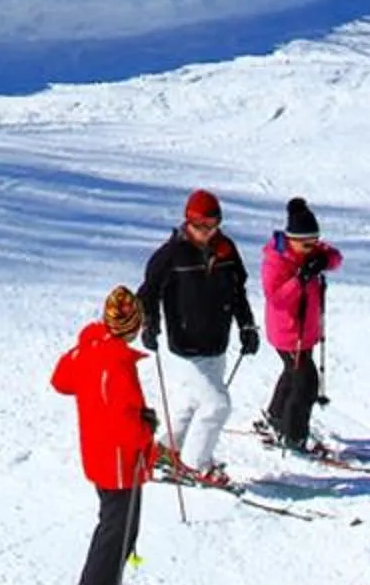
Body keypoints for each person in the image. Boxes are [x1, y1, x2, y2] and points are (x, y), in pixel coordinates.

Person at [50, 285, 163, 585]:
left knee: (119, 527)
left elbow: (61, 380)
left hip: (100, 455)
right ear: (133, 326)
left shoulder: (91, 348)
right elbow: (126, 425)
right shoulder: (118, 365)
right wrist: (147, 428)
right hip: (119, 461)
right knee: (117, 532)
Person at [137, 188, 256, 486]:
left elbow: (238, 292)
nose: (207, 232)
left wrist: (247, 326)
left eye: (212, 225)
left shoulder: (226, 250)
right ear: (187, 222)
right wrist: (149, 323)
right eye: (200, 226)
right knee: (217, 405)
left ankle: (167, 450)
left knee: (192, 401)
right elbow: (148, 292)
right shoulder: (171, 254)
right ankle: (195, 464)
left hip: (216, 342)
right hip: (185, 345)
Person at [257, 197, 345, 454]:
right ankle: (294, 436)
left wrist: (323, 261)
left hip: (305, 330)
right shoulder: (276, 260)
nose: (312, 247)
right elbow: (276, 298)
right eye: (307, 244)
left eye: (315, 242)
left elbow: (335, 257)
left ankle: (275, 417)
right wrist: (300, 280)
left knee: (292, 373)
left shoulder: (310, 250)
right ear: (292, 239)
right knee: (306, 384)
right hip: (288, 333)